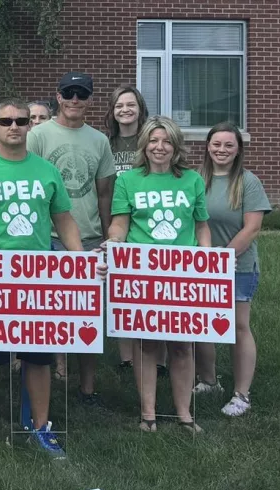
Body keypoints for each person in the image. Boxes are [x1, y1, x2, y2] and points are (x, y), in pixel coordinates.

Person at [0, 100, 81, 457]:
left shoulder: (46, 171)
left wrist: (78, 258)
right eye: (6, 121)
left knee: (38, 356)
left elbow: (64, 219)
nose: (14, 126)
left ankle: (41, 428)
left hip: (37, 276)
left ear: (29, 126)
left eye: (21, 120)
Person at [106, 116, 210, 433]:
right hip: (143, 269)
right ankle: (148, 413)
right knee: (147, 344)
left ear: (176, 146)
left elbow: (201, 224)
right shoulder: (129, 181)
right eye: (153, 141)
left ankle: (184, 414)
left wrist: (208, 258)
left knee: (182, 345)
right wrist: (114, 241)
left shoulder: (192, 181)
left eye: (166, 141)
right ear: (144, 145)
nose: (159, 147)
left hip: (183, 271)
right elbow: (120, 221)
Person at [27, 72, 116, 403]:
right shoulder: (38, 135)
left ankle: (87, 386)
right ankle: (51, 378)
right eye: (69, 93)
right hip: (46, 237)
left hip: (89, 236)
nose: (75, 100)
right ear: (58, 96)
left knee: (88, 315)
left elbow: (104, 193)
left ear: (90, 99)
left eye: (82, 94)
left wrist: (108, 235)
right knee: (50, 315)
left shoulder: (99, 141)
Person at [195, 122, 268, 417]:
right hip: (201, 266)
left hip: (238, 266)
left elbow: (252, 228)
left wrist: (222, 259)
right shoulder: (195, 179)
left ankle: (242, 394)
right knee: (202, 326)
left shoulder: (248, 182)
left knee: (238, 328)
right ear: (207, 147)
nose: (221, 150)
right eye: (216, 144)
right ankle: (209, 381)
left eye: (228, 145)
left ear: (238, 149)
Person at [103, 85, 154, 370]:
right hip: (116, 222)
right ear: (112, 111)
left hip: (148, 223)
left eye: (130, 104)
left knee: (151, 292)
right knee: (119, 291)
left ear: (140, 108)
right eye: (119, 105)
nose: (125, 110)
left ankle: (157, 357)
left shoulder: (150, 140)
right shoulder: (105, 144)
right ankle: (126, 357)